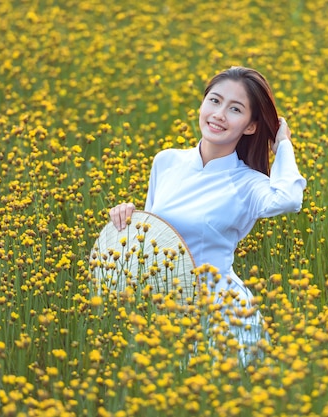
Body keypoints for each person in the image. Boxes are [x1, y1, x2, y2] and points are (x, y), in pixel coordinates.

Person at [109, 66, 306, 360]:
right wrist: (128, 219)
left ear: (250, 126)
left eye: (235, 109)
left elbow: (289, 199)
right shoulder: (167, 162)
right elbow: (152, 243)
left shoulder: (249, 183)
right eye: (214, 101)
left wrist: (283, 145)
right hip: (166, 313)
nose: (219, 114)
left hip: (224, 318)